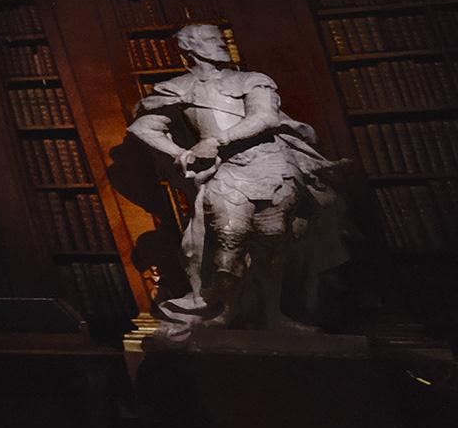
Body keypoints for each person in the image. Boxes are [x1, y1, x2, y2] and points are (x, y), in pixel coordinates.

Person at [125, 23, 347, 330]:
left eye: (221, 38)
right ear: (188, 49)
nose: (221, 43)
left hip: (272, 168)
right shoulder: (177, 88)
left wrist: (215, 141)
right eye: (211, 39)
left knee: (272, 243)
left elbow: (264, 117)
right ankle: (226, 312)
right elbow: (143, 127)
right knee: (230, 240)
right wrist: (180, 153)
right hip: (227, 174)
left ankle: (273, 316)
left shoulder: (252, 80)